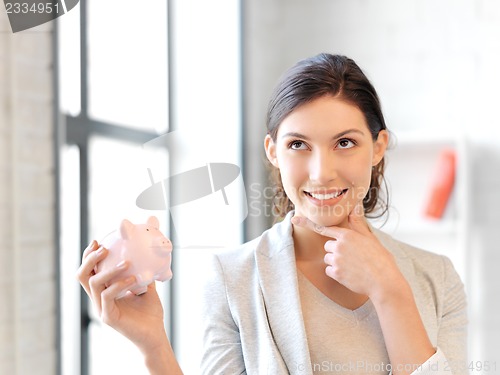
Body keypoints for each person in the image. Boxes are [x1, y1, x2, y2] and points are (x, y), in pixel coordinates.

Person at [78, 53, 467, 375]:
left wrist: (389, 291)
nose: (321, 172)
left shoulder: (437, 278)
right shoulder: (233, 277)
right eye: (298, 144)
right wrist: (153, 346)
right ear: (273, 151)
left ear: (379, 146)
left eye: (345, 142)